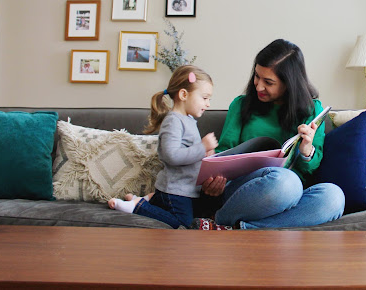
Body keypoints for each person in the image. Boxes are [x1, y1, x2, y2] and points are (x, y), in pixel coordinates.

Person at [194, 39, 345, 230]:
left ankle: (232, 227)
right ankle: (223, 217)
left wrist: (306, 150)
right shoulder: (241, 105)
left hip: (291, 193)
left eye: (269, 82)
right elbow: (224, 152)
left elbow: (310, 169)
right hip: (247, 192)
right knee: (286, 182)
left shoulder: (312, 110)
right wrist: (214, 178)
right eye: (257, 77)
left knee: (334, 197)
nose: (258, 86)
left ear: (289, 84)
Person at [107, 65, 220, 229]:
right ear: (183, 95)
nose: (208, 104)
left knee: (200, 216)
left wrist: (205, 154)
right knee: (183, 224)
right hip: (175, 190)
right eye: (204, 98)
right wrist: (202, 147)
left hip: (186, 190)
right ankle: (139, 206)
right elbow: (171, 155)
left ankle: (150, 200)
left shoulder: (188, 120)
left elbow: (188, 152)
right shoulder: (173, 121)